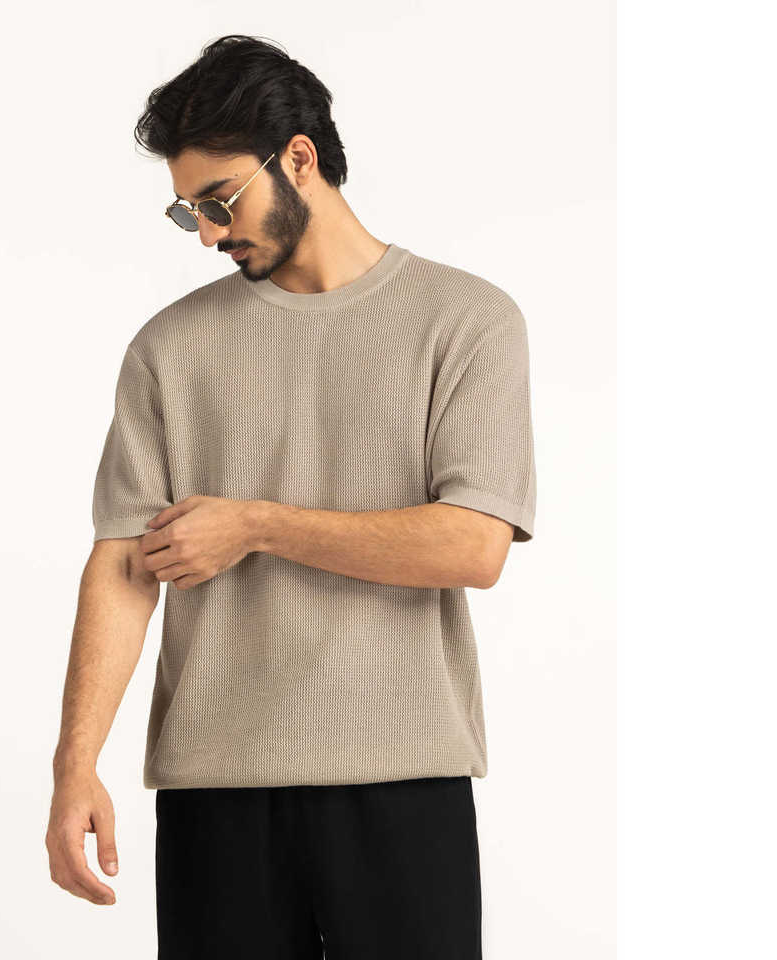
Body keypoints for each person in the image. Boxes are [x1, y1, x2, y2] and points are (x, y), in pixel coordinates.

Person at [46, 34, 536, 960]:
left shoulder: (466, 320)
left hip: (403, 779)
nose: (208, 233)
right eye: (188, 211)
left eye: (219, 200)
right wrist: (75, 766)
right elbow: (123, 564)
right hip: (215, 792)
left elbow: (473, 546)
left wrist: (257, 525)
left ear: (299, 158)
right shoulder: (169, 348)